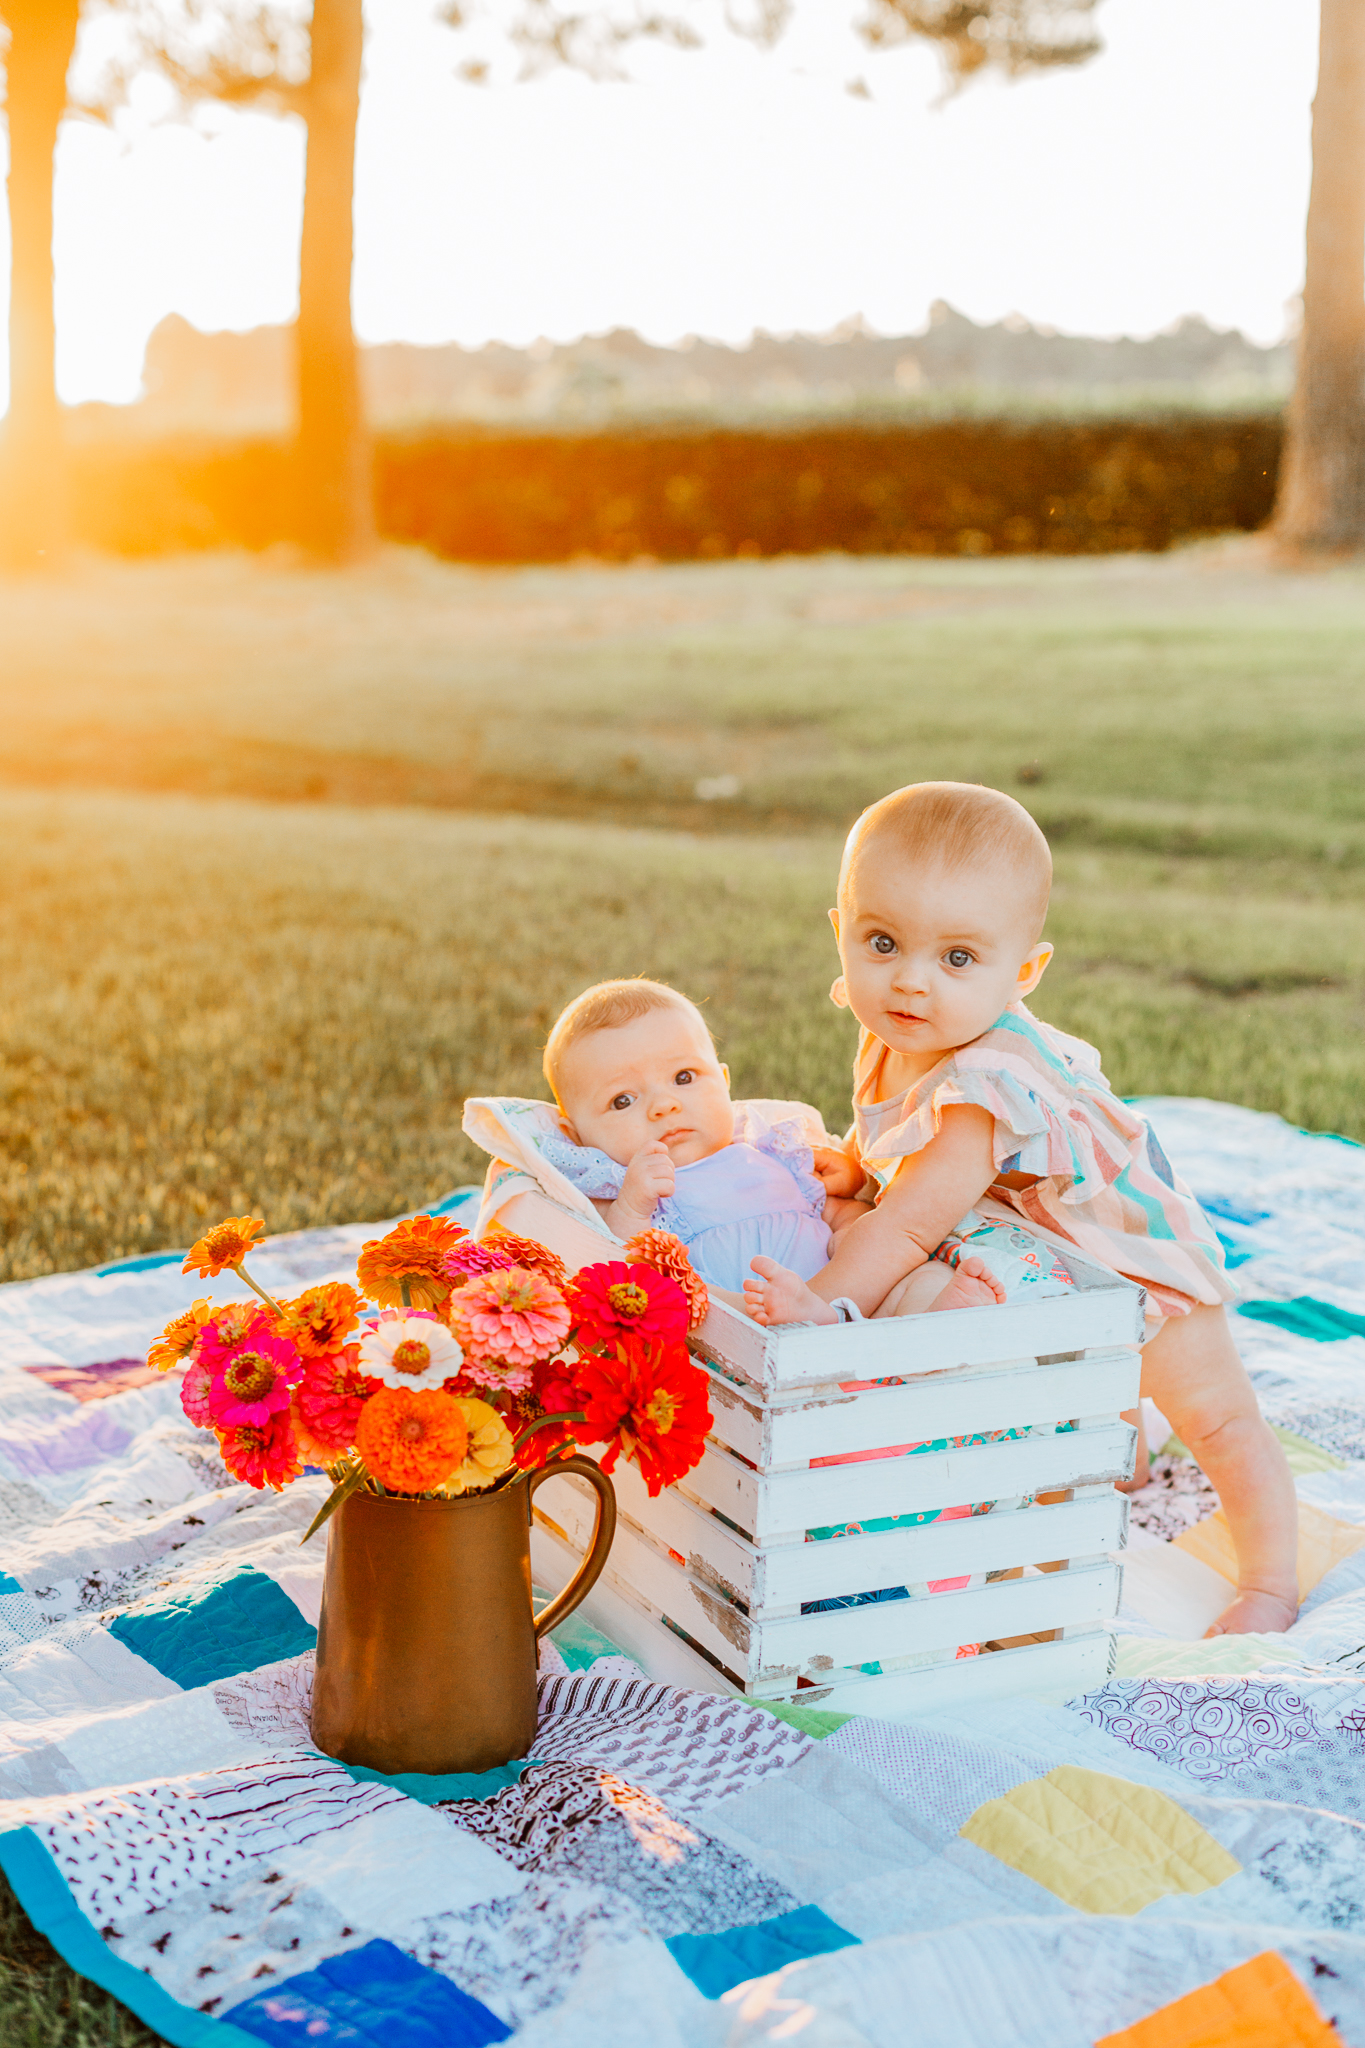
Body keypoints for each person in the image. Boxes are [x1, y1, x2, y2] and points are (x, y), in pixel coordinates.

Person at [742, 780, 1298, 1640]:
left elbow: (910, 1224)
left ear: (1023, 972)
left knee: (1218, 1420)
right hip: (1029, 1259)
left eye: (957, 958)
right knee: (1068, 1377)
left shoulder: (983, 1083)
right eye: (881, 942)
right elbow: (898, 1157)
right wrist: (854, 1165)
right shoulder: (891, 1025)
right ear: (840, 930)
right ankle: (1119, 1452)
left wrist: (827, 1309)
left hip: (1126, 1258)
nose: (912, 982)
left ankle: (1269, 1583)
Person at [540, 977, 1003, 1312]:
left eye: (684, 1078)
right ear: (577, 1135)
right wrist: (633, 1208)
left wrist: (850, 1196)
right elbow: (621, 1264)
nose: (663, 1106)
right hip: (743, 1323)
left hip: (842, 1296)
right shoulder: (625, 1187)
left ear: (723, 1084)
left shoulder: (771, 1151)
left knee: (920, 1281)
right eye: (622, 1100)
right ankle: (822, 1324)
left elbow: (842, 1217)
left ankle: (938, 1322)